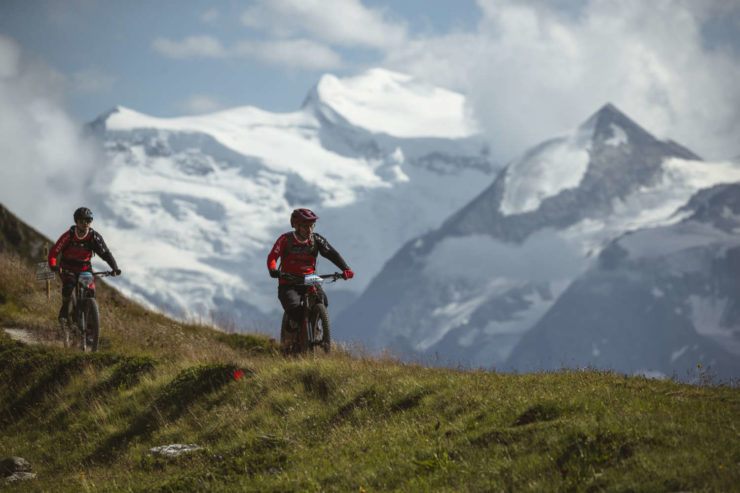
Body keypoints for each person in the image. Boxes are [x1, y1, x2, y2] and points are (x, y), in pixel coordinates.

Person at [267, 208, 353, 352]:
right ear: (296, 225)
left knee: (322, 301)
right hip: (288, 280)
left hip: (310, 278)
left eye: (312, 225)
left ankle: (315, 327)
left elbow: (331, 253)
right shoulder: (285, 239)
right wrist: (273, 269)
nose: (310, 229)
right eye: (306, 226)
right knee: (294, 309)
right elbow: (272, 257)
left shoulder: (316, 239)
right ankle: (292, 333)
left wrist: (345, 268)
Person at [48, 207, 121, 325]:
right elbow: (54, 252)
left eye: (89, 220)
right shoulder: (68, 236)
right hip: (67, 267)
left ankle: (90, 325)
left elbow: (106, 253)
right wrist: (53, 265)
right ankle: (64, 310)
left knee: (90, 293)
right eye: (83, 221)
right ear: (76, 221)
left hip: (84, 268)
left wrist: (114, 268)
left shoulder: (94, 237)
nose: (86, 224)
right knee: (68, 286)